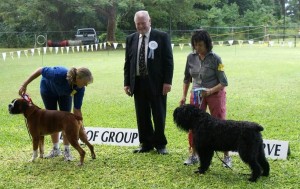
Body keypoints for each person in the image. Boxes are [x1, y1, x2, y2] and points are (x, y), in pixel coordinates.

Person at [124, 10, 174, 155]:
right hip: (138, 83)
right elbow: (128, 62)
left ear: (149, 21)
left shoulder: (162, 37)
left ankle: (160, 144)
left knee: (159, 113)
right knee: (142, 114)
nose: (140, 26)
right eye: (138, 24)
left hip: (157, 83)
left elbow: (168, 61)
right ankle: (146, 143)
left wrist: (167, 82)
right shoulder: (131, 39)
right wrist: (127, 83)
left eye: (143, 23)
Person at [179, 29, 231, 167]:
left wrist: (210, 91)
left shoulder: (216, 59)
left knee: (220, 125)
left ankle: (226, 157)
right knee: (193, 125)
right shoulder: (190, 57)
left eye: (200, 45)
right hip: (196, 95)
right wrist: (184, 96)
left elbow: (224, 82)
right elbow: (187, 78)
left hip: (215, 94)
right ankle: (193, 154)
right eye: (195, 44)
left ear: (207, 44)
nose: (198, 48)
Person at [19, 66, 93, 161]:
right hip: (48, 91)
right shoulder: (58, 74)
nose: (86, 85)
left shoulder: (80, 88)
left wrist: (81, 128)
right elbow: (40, 70)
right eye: (85, 82)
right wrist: (24, 84)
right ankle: (55, 149)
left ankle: (67, 150)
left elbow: (77, 110)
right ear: (78, 78)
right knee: (52, 120)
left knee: (66, 121)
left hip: (65, 95)